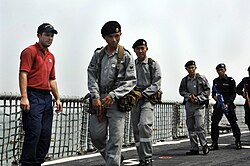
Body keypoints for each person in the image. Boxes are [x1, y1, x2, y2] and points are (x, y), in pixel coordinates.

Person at [87, 21, 136, 166]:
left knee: (116, 139)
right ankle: (113, 157)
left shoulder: (126, 56)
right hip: (100, 99)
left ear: (120, 34)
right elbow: (92, 75)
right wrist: (95, 96)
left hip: (116, 101)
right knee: (96, 136)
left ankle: (113, 162)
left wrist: (114, 94)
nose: (114, 40)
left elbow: (131, 81)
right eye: (110, 37)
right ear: (104, 37)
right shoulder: (98, 54)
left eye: (117, 36)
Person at [19, 23, 62, 166]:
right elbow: (23, 74)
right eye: (47, 35)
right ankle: (27, 163)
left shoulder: (51, 57)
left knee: (45, 135)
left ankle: (37, 163)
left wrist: (57, 98)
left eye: (52, 36)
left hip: (46, 98)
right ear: (39, 35)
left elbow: (52, 79)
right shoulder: (29, 51)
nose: (50, 38)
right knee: (34, 133)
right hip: (33, 96)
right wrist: (24, 96)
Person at [131, 39, 161, 166]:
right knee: (136, 129)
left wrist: (143, 94)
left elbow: (157, 84)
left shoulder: (153, 64)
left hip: (147, 99)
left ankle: (147, 156)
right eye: (138, 49)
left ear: (146, 49)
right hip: (134, 99)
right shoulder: (131, 65)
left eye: (142, 48)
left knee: (144, 125)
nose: (140, 51)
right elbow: (127, 81)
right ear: (135, 50)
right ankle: (141, 157)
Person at [179, 60, 210, 155]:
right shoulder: (184, 80)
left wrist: (198, 98)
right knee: (191, 127)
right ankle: (194, 148)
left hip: (199, 105)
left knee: (199, 126)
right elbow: (181, 91)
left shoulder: (201, 78)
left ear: (195, 68)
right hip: (189, 105)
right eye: (189, 68)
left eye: (192, 67)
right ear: (186, 69)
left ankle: (204, 145)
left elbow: (207, 90)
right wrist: (189, 97)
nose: (191, 69)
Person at [209, 63, 242, 150]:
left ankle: (238, 141)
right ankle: (214, 142)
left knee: (233, 123)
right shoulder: (215, 81)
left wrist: (227, 104)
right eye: (218, 70)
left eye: (221, 70)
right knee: (214, 123)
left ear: (225, 70)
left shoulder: (231, 80)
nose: (220, 72)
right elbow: (213, 93)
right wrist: (215, 98)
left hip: (228, 105)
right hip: (218, 105)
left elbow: (233, 94)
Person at [236, 66, 250, 130]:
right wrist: (242, 94)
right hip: (248, 102)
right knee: (248, 120)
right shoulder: (245, 80)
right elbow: (237, 89)